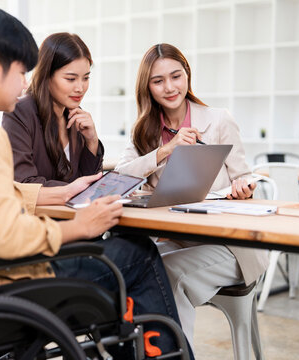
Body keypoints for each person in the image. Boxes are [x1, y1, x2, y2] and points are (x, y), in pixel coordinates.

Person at [0, 9, 187, 356]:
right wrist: (80, 225)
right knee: (138, 254)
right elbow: (6, 238)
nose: (25, 83)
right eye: (21, 72)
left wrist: (62, 192)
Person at [115, 43, 269, 348]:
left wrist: (244, 190)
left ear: (187, 74)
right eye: (158, 81)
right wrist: (164, 151)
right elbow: (121, 178)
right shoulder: (144, 132)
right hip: (180, 239)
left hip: (232, 246)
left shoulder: (218, 120)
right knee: (131, 268)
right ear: (147, 87)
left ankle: (174, 355)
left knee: (169, 274)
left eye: (176, 76)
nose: (170, 87)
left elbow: (246, 180)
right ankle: (143, 353)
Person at [2, 32, 103, 186]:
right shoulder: (19, 112)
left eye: (86, 78)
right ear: (46, 75)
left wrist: (91, 140)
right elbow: (24, 183)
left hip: (72, 210)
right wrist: (74, 189)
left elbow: (88, 181)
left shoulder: (75, 115)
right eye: (70, 79)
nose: (80, 88)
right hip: (37, 210)